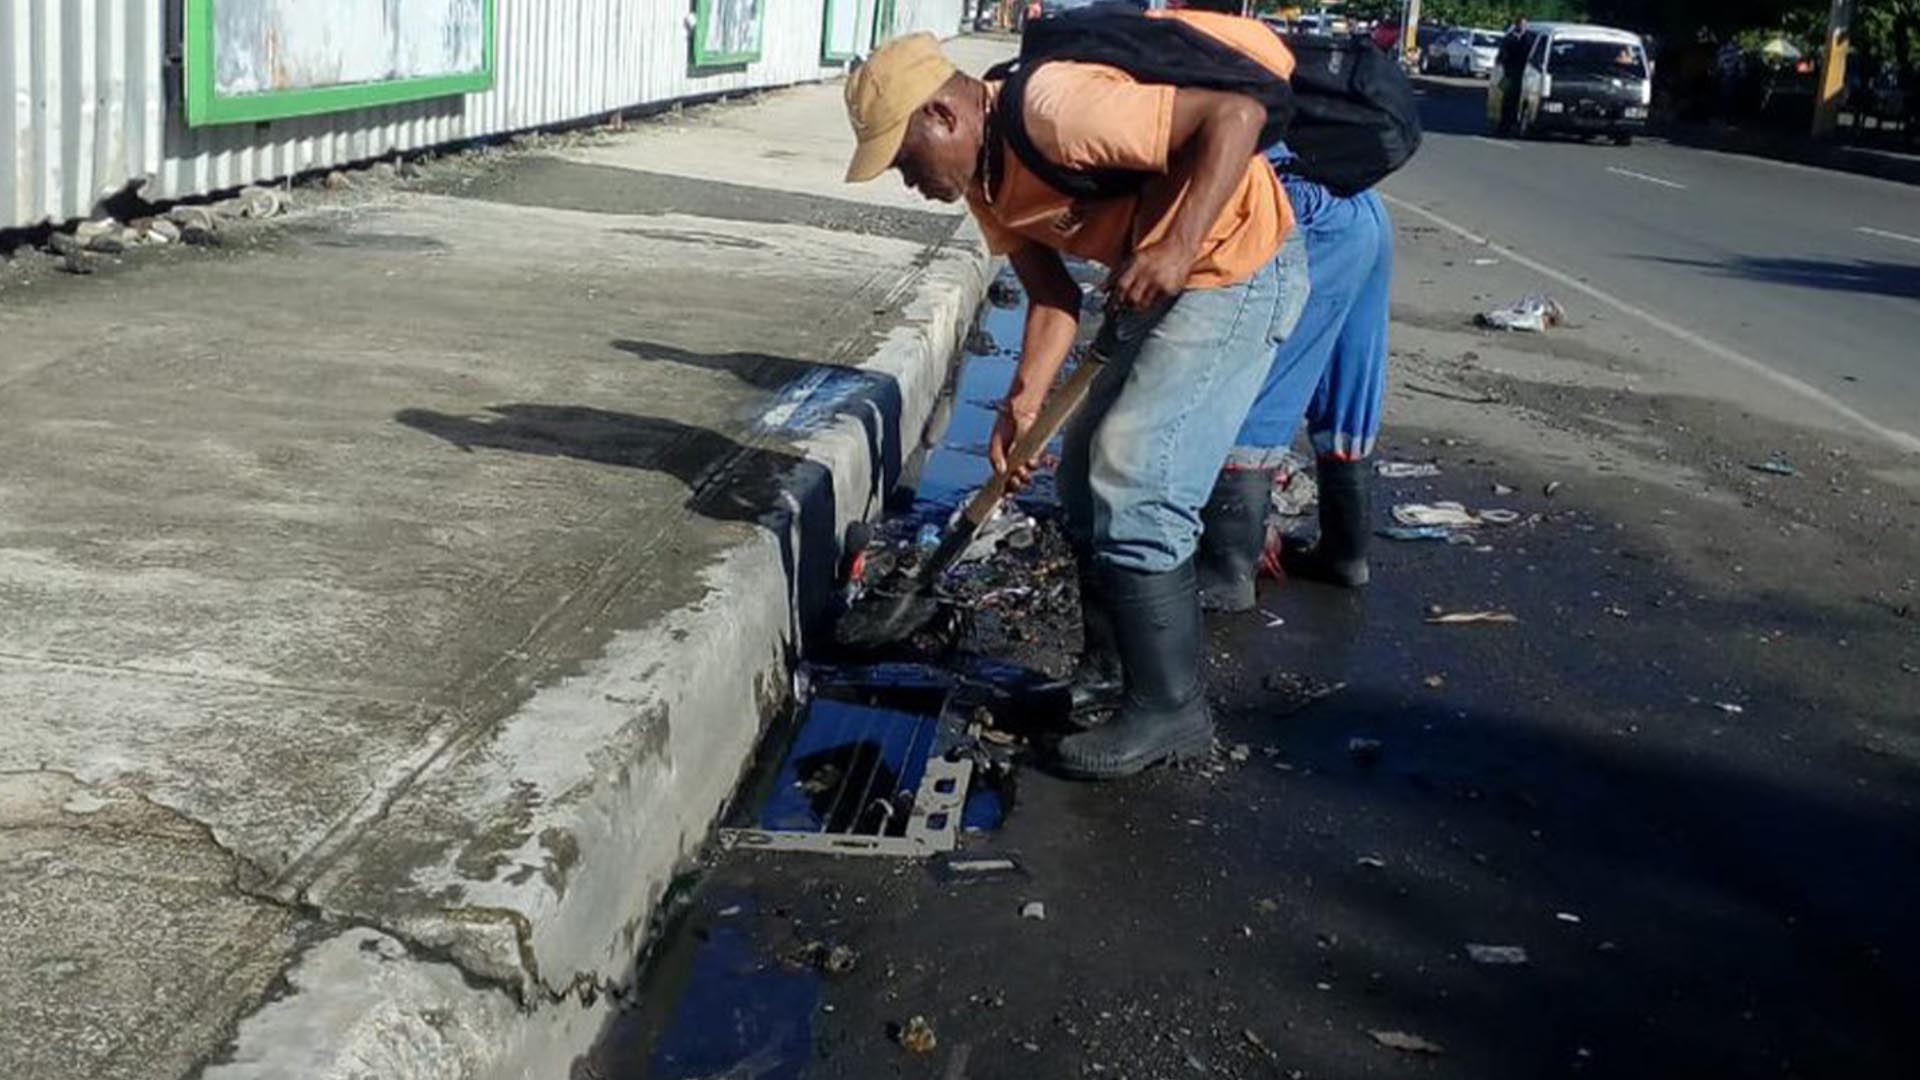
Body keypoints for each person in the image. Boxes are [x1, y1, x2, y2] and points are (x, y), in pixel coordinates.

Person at [842, 16, 1308, 779]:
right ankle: (1107, 679)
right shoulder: (986, 180)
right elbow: (1052, 295)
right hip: (1159, 281)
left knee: (1137, 474)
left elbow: (1237, 115)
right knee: (1081, 475)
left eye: (903, 160)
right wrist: (1022, 403)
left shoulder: (1058, 112)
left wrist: (1177, 243)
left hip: (1234, 266)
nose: (909, 181)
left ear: (942, 115)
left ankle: (1171, 710)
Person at [1195, 151, 1393, 611]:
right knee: (1348, 385)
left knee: (1258, 382)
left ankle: (1226, 574)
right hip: (1363, 205)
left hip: (1297, 206)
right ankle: (1346, 555)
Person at [1497, 17, 1531, 135]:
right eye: (1521, 24)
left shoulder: (1528, 39)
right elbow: (1502, 55)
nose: (1523, 27)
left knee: (1518, 100)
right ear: (1516, 25)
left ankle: (1514, 123)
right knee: (1506, 98)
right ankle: (1504, 125)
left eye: (1525, 24)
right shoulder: (1509, 38)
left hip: (1523, 74)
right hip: (1509, 73)